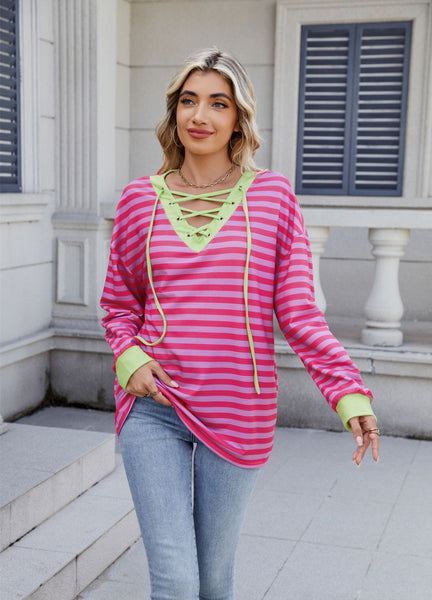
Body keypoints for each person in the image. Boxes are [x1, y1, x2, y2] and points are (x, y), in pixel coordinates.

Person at [100, 48, 379, 600]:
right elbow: (118, 304)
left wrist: (349, 394)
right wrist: (130, 359)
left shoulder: (273, 197)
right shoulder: (139, 199)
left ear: (238, 118)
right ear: (175, 111)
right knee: (176, 580)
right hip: (152, 406)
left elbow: (298, 312)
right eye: (188, 101)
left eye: (217, 103)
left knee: (214, 580)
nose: (199, 115)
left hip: (237, 410)